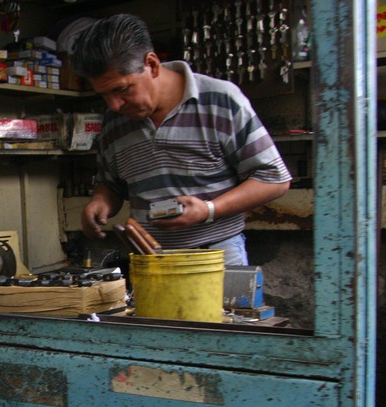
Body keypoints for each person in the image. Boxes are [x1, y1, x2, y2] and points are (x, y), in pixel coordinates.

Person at [70, 13, 291, 265]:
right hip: (148, 260)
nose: (114, 104)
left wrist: (208, 211)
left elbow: (274, 179)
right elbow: (111, 183)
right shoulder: (113, 122)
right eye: (104, 94)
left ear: (151, 64)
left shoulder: (221, 100)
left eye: (121, 89)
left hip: (217, 255)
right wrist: (100, 201)